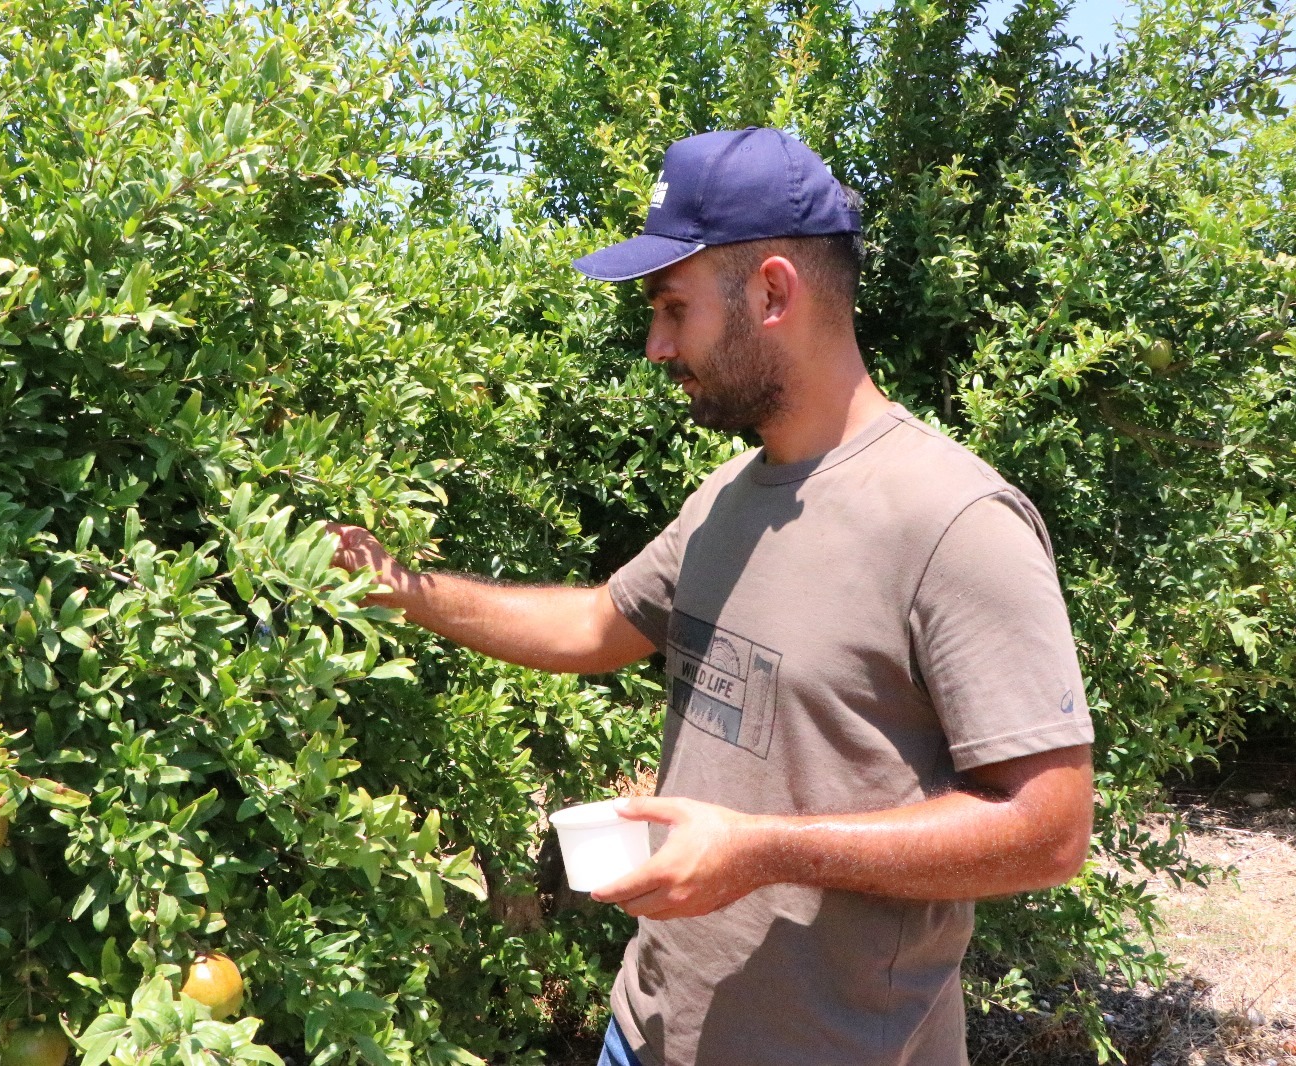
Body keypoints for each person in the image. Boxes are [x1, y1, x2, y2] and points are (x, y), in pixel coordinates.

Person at [327, 128, 1095, 1066]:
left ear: (772, 292)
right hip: (645, 1030)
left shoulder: (956, 522)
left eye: (674, 308)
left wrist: (762, 850)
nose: (656, 346)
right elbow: (597, 624)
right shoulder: (728, 498)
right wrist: (400, 588)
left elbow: (1049, 831)